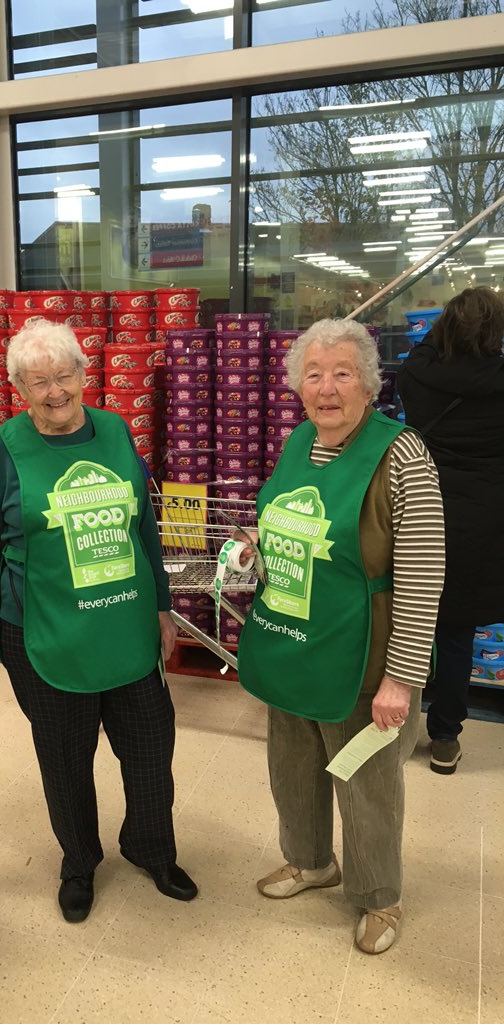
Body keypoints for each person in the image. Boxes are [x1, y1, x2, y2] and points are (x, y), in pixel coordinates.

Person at [0, 319, 197, 923]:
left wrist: (163, 608)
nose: (54, 392)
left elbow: (142, 527)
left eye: (64, 375)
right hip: (40, 627)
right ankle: (79, 863)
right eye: (38, 381)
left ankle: (151, 846)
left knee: (150, 744)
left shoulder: (117, 430)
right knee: (65, 755)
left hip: (125, 623)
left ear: (83, 373)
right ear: (19, 387)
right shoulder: (4, 446)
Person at [236, 318, 445, 954]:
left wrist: (401, 679)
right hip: (292, 641)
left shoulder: (403, 456)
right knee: (292, 766)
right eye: (314, 375)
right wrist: (250, 546)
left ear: (369, 384)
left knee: (369, 785)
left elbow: (423, 574)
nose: (327, 388)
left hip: (363, 658)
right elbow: (282, 521)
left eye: (343, 373)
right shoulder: (299, 441)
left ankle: (380, 897)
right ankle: (309, 861)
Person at [399, 287, 504, 774]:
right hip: (482, 519)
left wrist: (440, 334)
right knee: (457, 631)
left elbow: (418, 352)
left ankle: (393, 725)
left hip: (419, 507)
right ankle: (444, 737)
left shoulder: (420, 373)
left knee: (401, 621)